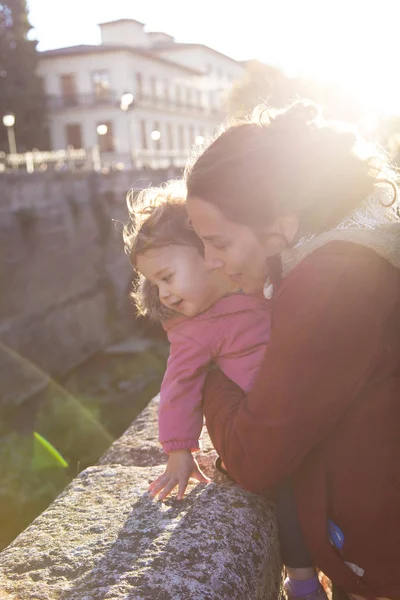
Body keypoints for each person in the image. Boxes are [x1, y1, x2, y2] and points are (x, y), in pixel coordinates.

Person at [185, 100, 400, 600]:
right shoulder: (358, 244)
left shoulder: (331, 280)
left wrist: (210, 360)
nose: (210, 263)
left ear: (280, 226)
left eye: (218, 242)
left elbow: (255, 457)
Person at [123, 181, 271, 499]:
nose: (163, 293)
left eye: (167, 277)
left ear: (208, 252)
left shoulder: (256, 282)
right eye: (155, 283)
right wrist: (179, 452)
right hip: (266, 423)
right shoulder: (194, 330)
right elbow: (179, 386)